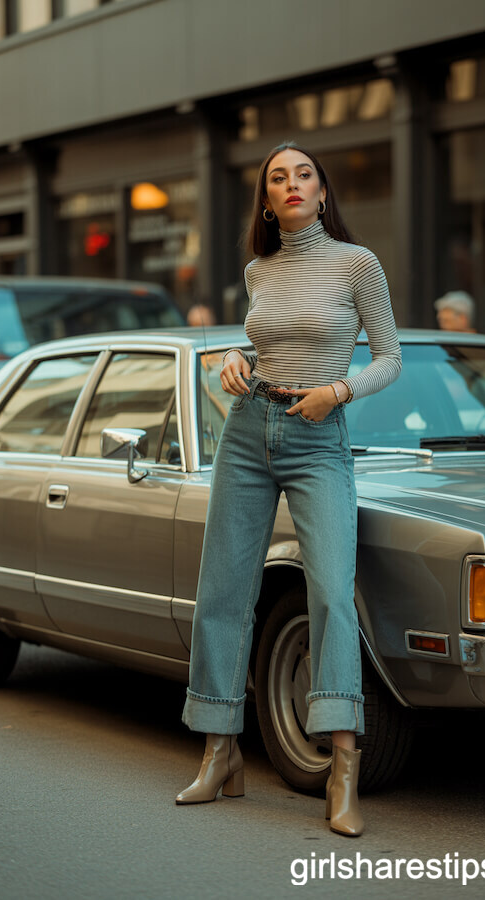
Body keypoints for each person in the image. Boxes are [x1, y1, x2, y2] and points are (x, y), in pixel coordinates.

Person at [176, 142, 401, 837]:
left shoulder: (358, 264)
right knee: (223, 590)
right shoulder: (258, 269)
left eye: (304, 174)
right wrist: (234, 364)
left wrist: (339, 390)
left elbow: (390, 358)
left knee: (331, 590)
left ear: (323, 192)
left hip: (318, 439)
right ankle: (220, 753)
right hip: (248, 431)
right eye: (279, 177)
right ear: (267, 203)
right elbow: (262, 347)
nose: (293, 184)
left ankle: (342, 770)